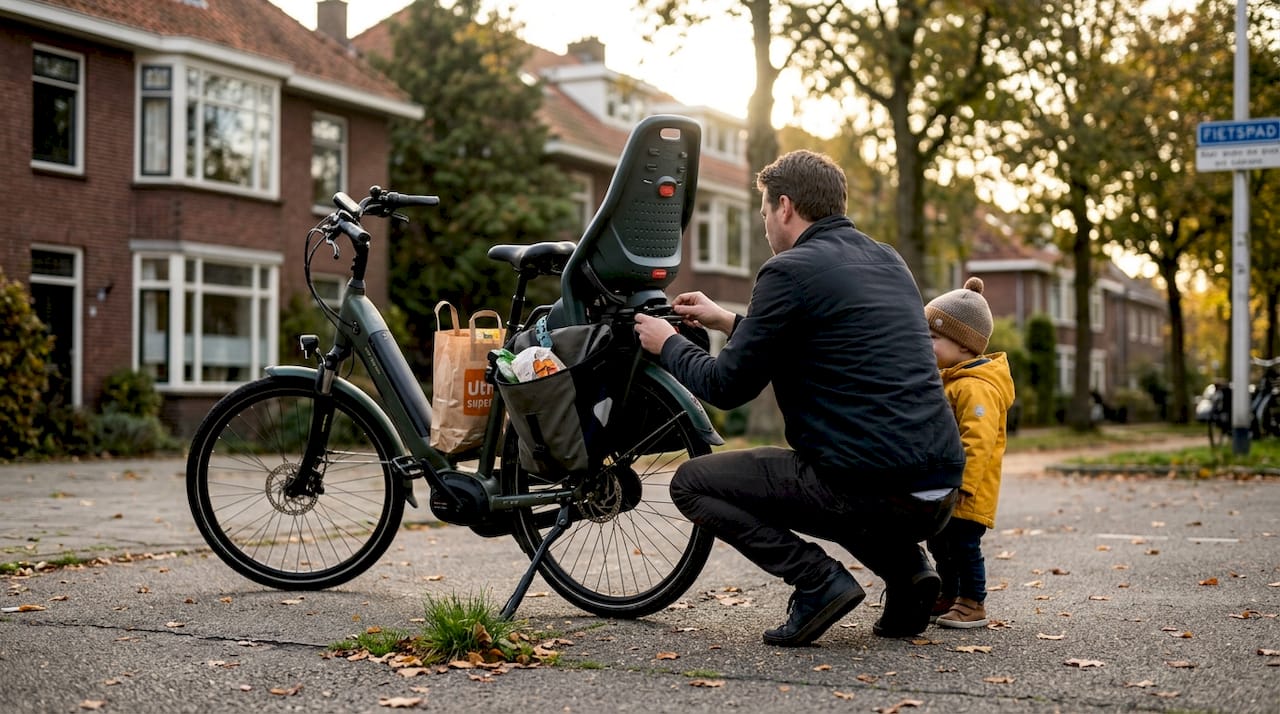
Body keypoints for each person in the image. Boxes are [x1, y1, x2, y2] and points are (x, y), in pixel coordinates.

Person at [634, 150, 965, 647]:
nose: (765, 222)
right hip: (938, 492)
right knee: (847, 467)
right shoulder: (888, 260)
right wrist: (726, 320)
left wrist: (668, 344)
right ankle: (910, 578)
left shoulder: (786, 270)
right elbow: (822, 341)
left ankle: (816, 581)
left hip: (869, 491)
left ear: (784, 207)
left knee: (692, 482)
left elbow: (727, 387)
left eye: (764, 211)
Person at [922, 277, 1016, 629]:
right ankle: (950, 593)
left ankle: (973, 601)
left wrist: (963, 484)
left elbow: (977, 441)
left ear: (963, 345)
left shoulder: (977, 388)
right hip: (946, 486)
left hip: (966, 491)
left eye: (933, 338)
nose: (926, 344)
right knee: (940, 543)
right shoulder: (952, 380)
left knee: (963, 547)